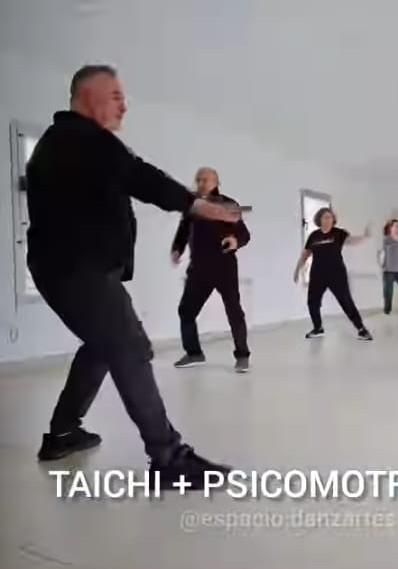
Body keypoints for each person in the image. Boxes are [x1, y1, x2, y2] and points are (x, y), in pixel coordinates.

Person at [26, 64, 239, 488]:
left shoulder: (70, 143)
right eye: (116, 96)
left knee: (105, 345)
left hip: (74, 267)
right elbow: (140, 175)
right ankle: (168, 457)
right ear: (88, 96)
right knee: (128, 346)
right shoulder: (81, 137)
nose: (124, 105)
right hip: (76, 268)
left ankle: (63, 433)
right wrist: (196, 205)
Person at [171, 167, 251, 373]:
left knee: (234, 311)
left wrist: (235, 241)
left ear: (216, 182)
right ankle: (194, 353)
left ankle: (242, 356)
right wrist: (177, 249)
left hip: (224, 266)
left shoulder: (228, 204)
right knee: (186, 311)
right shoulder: (192, 205)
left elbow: (244, 234)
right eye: (199, 179)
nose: (202, 183)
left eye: (206, 179)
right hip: (198, 268)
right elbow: (183, 231)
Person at [293, 208, 373, 340]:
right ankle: (317, 328)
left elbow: (352, 241)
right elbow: (305, 254)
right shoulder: (314, 236)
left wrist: (365, 236)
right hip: (317, 274)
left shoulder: (338, 233)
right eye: (325, 217)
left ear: (333, 220)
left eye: (330, 217)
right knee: (312, 302)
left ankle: (361, 329)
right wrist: (297, 270)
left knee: (346, 301)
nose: (328, 220)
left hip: (336, 274)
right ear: (319, 219)